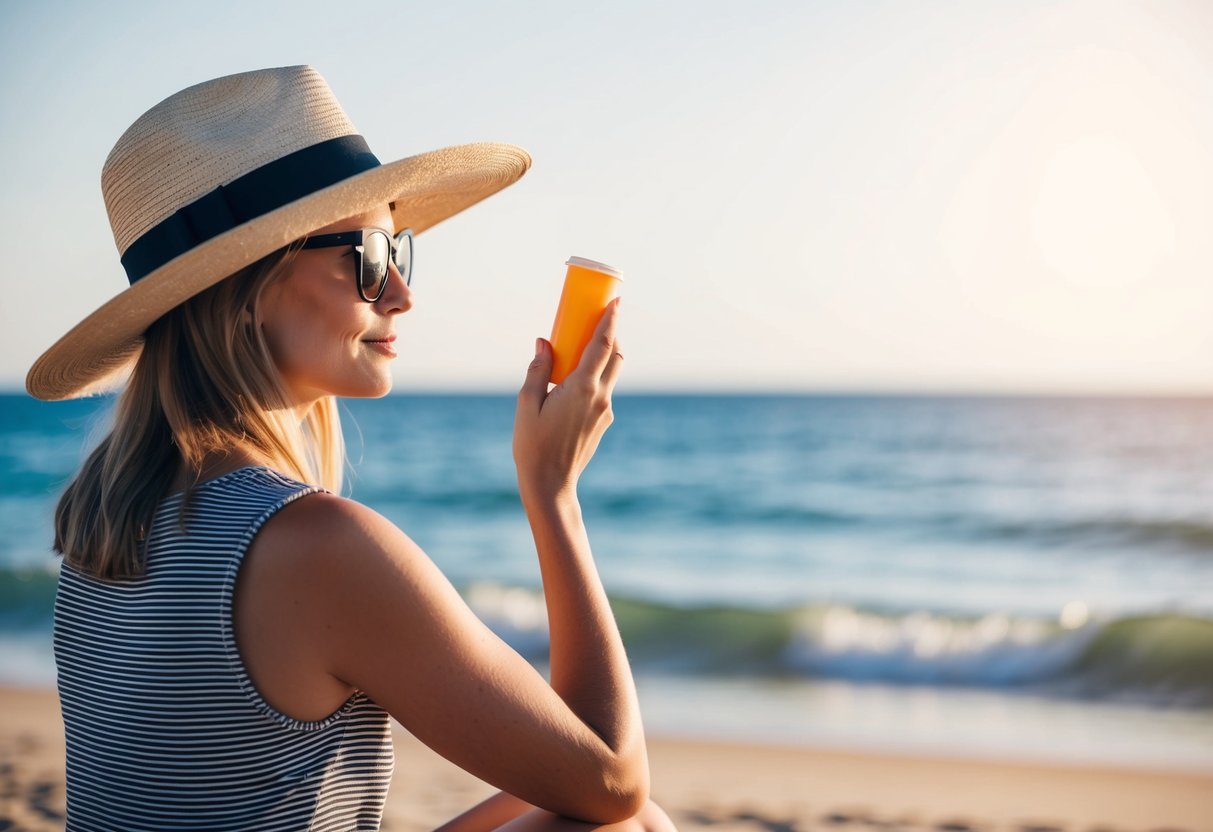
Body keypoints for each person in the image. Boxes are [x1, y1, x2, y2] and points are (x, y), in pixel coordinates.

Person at [28, 65, 675, 831]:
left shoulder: (105, 524)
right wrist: (552, 493)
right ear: (249, 289)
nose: (401, 293)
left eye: (399, 254)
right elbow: (610, 777)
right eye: (368, 259)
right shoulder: (312, 545)